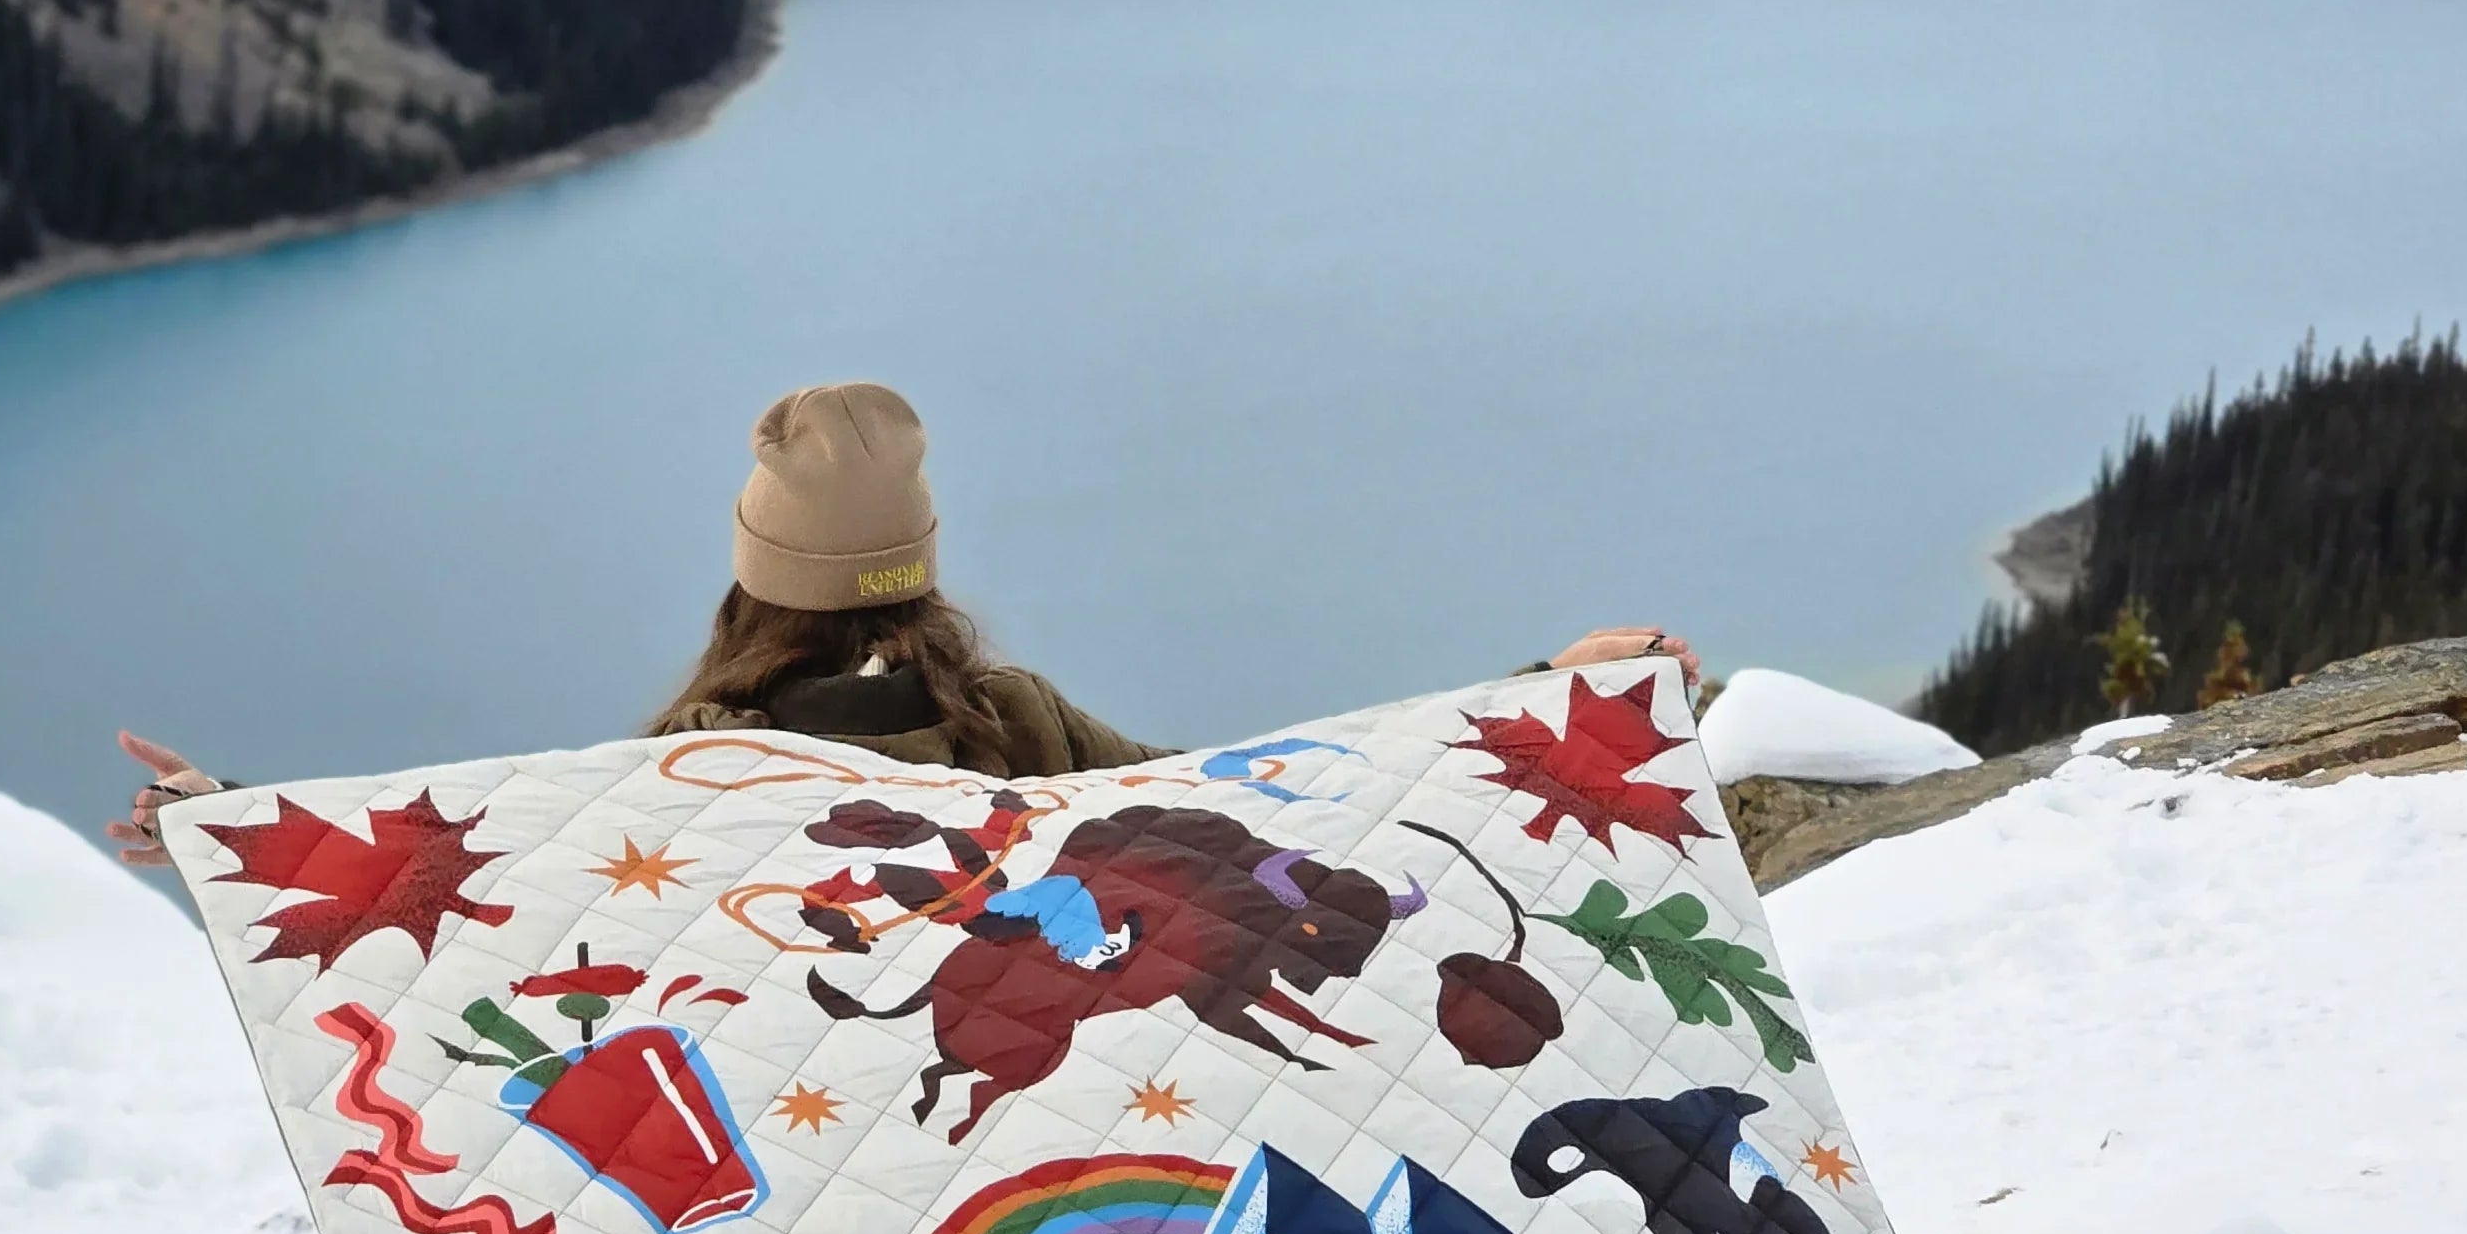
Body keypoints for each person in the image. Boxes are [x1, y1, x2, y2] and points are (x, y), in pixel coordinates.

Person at [110, 373, 1697, 848]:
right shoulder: (1019, 722)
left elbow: (476, 887)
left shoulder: (690, 774)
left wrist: (231, 826)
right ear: (921, 564)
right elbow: (1276, 808)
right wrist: (1547, 694)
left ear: (753, 577)